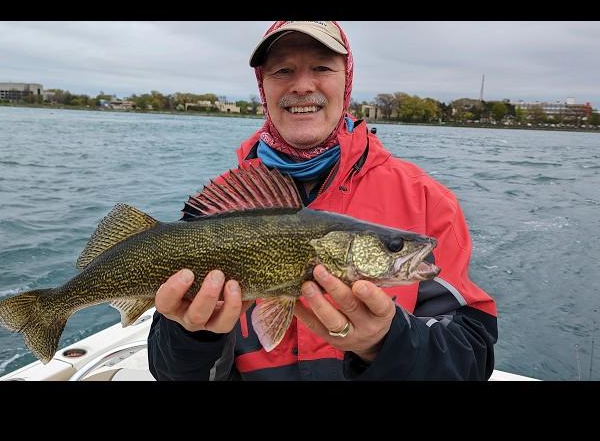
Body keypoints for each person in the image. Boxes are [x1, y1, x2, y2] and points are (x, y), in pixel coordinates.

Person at [147, 21, 498, 380]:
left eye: (322, 67)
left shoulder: (428, 200)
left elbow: (471, 360)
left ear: (346, 81)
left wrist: (385, 342)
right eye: (282, 70)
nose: (302, 86)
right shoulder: (222, 205)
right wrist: (194, 334)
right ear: (262, 86)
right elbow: (171, 373)